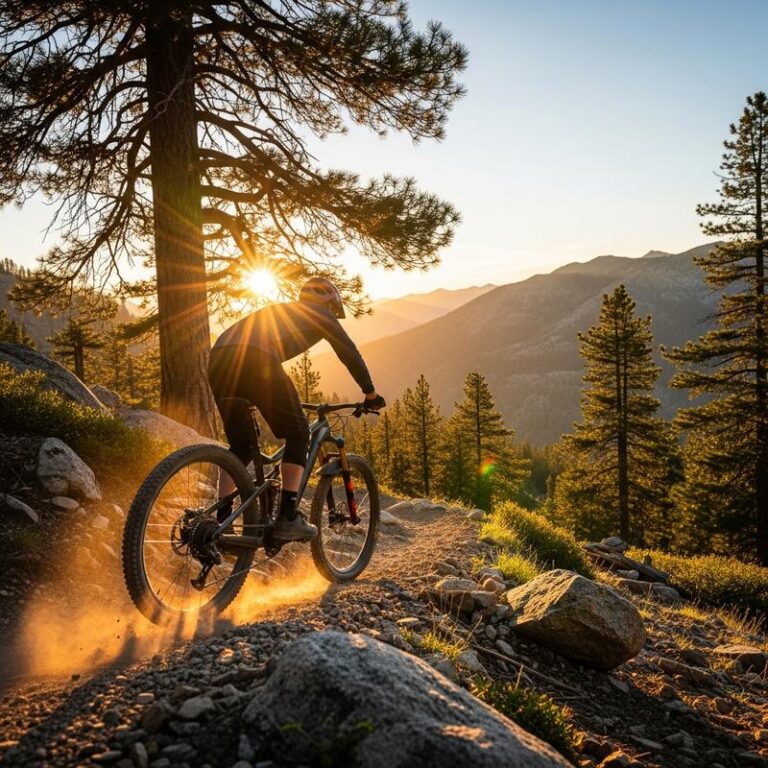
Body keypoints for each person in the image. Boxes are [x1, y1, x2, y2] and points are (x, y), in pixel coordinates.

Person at [208, 277, 386, 542]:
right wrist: (370, 393)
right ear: (330, 302)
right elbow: (348, 352)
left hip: (219, 360)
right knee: (299, 432)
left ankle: (221, 521)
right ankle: (287, 517)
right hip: (256, 359)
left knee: (242, 446)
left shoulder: (283, 309)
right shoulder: (320, 314)